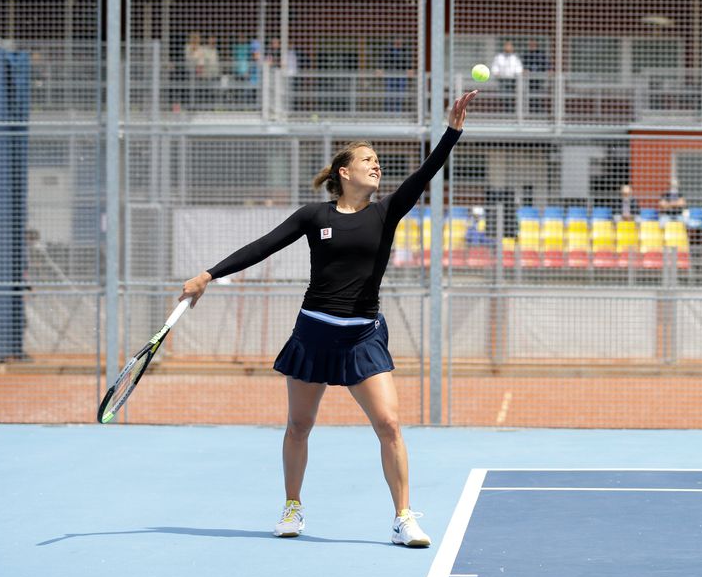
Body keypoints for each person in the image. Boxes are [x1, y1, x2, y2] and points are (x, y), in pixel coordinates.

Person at [178, 90, 479, 547]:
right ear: (344, 172)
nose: (376, 166)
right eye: (367, 160)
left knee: (390, 424)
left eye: (378, 161)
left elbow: (424, 175)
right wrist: (208, 275)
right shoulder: (313, 215)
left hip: (362, 337)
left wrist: (451, 132)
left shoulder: (386, 212)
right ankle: (292, 507)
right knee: (299, 426)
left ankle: (403, 518)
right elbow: (262, 246)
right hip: (313, 334)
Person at [490, 40, 524, 111]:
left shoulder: (515, 58)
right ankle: (505, 111)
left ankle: (511, 111)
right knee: (503, 97)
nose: (508, 47)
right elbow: (494, 68)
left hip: (512, 81)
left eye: (509, 45)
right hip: (502, 80)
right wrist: (497, 73)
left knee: (512, 97)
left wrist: (518, 74)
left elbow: (519, 69)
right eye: (506, 45)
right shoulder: (499, 57)